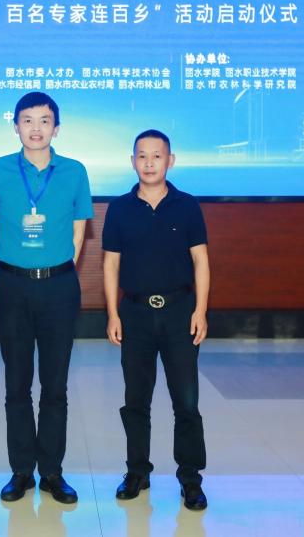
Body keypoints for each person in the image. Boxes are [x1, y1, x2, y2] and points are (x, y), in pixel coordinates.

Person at [0, 92, 93, 504]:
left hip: (59, 287)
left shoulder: (75, 172)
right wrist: (17, 264)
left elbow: (78, 233)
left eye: (44, 120)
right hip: (12, 286)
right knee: (16, 383)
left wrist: (53, 268)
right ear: (16, 126)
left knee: (55, 385)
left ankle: (53, 473)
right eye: (27, 120)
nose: (36, 128)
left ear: (56, 128)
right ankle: (21, 471)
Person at [102, 129, 210, 511]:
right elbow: (110, 264)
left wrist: (200, 310)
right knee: (136, 399)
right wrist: (113, 313)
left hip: (181, 313)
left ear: (170, 161)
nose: (149, 163)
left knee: (186, 401)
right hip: (135, 314)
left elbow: (201, 261)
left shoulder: (187, 206)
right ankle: (137, 472)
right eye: (142, 156)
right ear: (132, 161)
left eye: (157, 156)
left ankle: (190, 479)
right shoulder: (119, 209)